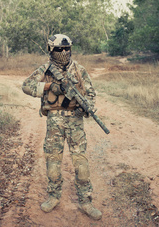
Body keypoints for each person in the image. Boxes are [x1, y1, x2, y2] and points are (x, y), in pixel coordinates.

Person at [22, 34, 102, 220]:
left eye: (67, 49)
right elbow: (26, 86)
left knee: (81, 164)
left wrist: (88, 107)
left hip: (75, 121)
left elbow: (90, 93)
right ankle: (53, 196)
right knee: (53, 162)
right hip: (54, 121)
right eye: (59, 49)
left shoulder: (79, 70)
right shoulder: (45, 69)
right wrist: (49, 86)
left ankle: (86, 201)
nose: (64, 52)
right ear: (51, 50)